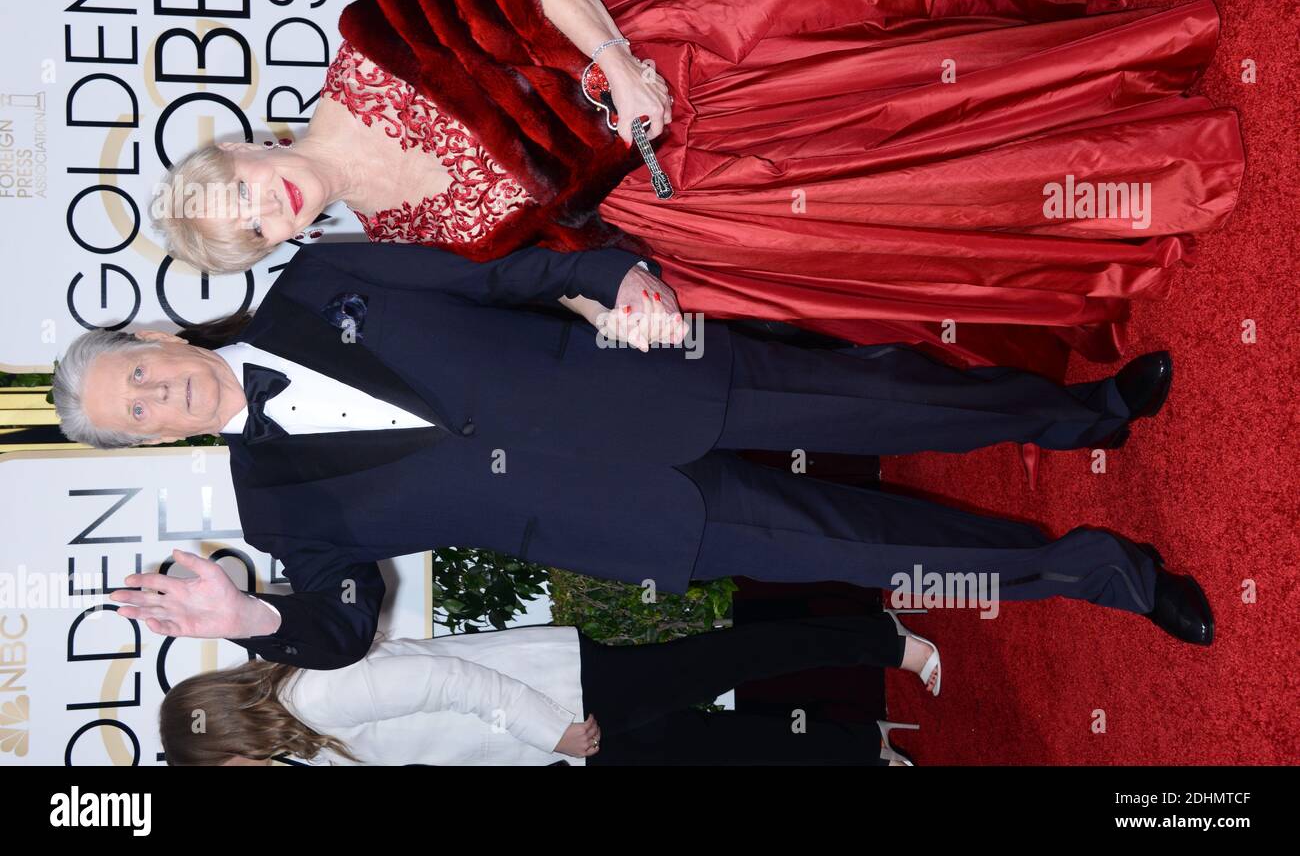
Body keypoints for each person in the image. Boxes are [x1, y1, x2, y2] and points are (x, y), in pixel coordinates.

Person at [152, 0, 1244, 376]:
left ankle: (1083, 28)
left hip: (665, 50)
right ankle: (1123, 159)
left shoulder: (366, 47)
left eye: (232, 191)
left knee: (888, 34)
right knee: (910, 195)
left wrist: (622, 69)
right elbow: (549, 251)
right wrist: (610, 303)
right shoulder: (399, 233)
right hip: (678, 198)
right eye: (244, 234)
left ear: (240, 150)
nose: (261, 208)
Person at [52, 241, 1213, 674]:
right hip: (628, 525)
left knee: (892, 396)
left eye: (140, 371)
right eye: (140, 412)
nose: (159, 392)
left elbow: (493, 275)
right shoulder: (276, 510)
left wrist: (609, 279)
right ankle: (1094, 569)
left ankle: (1079, 411)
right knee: (883, 548)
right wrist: (253, 622)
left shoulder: (315, 284)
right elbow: (344, 616)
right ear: (160, 438)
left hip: (649, 375)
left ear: (159, 337)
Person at [161, 614, 940, 766]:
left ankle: (880, 640)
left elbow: (449, 680)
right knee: (714, 746)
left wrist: (552, 732)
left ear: (225, 731)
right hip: (561, 738)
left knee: (731, 660)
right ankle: (861, 744)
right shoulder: (305, 745)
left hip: (565, 693)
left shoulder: (314, 698)